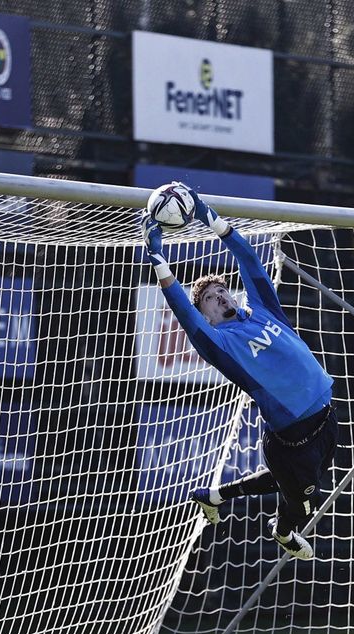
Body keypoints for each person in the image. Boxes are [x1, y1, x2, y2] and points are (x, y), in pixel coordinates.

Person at [141, 189, 338, 560]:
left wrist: (207, 215)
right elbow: (183, 311)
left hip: (327, 416)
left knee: (292, 485)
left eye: (223, 291)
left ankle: (212, 496)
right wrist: (157, 258)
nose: (222, 298)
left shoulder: (262, 310)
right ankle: (282, 532)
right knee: (300, 506)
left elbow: (248, 260)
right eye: (211, 300)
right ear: (206, 317)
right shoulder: (220, 345)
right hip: (291, 440)